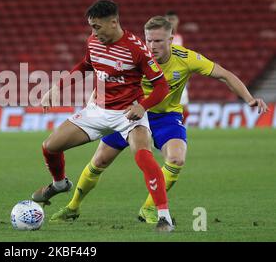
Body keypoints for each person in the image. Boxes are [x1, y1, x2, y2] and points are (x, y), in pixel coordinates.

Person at [50, 16, 268, 224]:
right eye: (149, 40)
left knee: (176, 159)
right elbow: (103, 77)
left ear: (171, 40)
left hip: (165, 117)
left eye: (158, 41)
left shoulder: (187, 59)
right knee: (99, 161)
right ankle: (73, 207)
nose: (152, 46)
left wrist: (249, 99)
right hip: (126, 115)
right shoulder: (133, 54)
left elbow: (225, 75)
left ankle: (149, 208)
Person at [31, 0, 175, 232]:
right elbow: (85, 65)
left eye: (97, 27)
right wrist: (57, 87)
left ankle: (164, 216)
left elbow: (161, 87)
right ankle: (59, 184)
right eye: (91, 27)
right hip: (97, 111)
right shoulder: (93, 42)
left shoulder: (136, 49)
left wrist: (143, 106)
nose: (93, 32)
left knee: (144, 157)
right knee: (49, 146)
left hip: (128, 114)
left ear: (113, 22)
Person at [165, 10, 189, 113]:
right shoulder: (162, 38)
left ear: (177, 21)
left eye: (173, 19)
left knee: (185, 109)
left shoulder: (180, 37)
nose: (171, 22)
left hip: (179, 76)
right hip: (165, 76)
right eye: (168, 19)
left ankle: (179, 127)